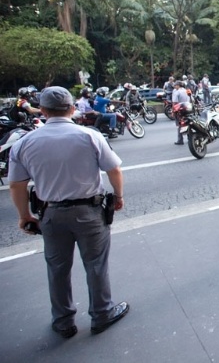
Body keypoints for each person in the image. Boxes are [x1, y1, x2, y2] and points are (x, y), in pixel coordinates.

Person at [8, 86, 129, 339]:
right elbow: (114, 170)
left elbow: (17, 185)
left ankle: (63, 322)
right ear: (72, 109)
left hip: (51, 214)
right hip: (89, 212)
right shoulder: (89, 136)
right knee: (96, 265)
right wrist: (118, 197)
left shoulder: (25, 143)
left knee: (57, 268)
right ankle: (102, 314)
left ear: (42, 110)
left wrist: (24, 216)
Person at [172, 80, 190, 145]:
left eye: (175, 85)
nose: (174, 87)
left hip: (179, 110)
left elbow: (175, 103)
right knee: (188, 123)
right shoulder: (186, 90)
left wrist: (173, 111)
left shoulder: (177, 92)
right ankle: (189, 138)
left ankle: (180, 140)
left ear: (178, 86)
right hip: (188, 109)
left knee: (179, 125)